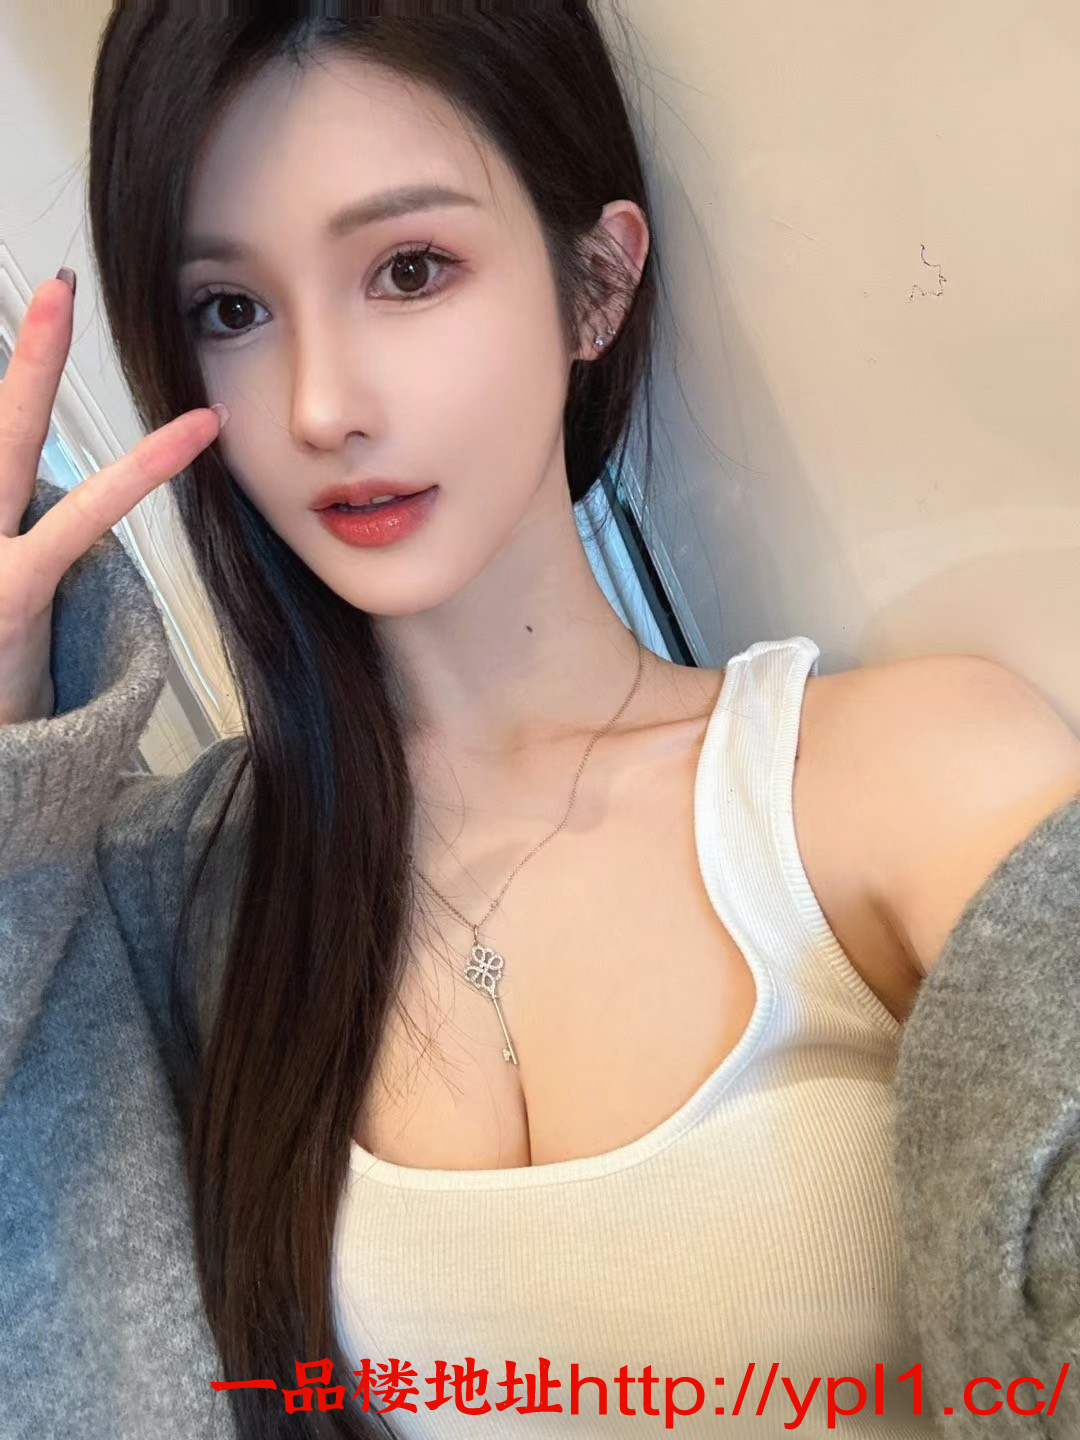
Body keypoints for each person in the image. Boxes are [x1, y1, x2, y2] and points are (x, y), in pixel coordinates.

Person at [1, 5, 1078, 1439]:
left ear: (597, 283)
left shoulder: (910, 781)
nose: (322, 406)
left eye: (410, 269)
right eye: (231, 311)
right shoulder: (189, 897)